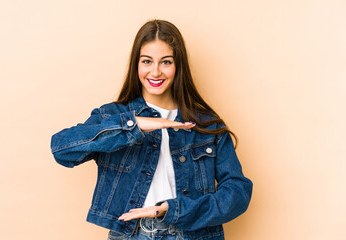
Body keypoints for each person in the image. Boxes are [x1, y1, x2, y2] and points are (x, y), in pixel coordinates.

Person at [51, 19, 252, 240]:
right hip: (133, 234)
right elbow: (62, 149)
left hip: (193, 234)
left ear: (178, 66)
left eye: (165, 62)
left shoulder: (205, 124)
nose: (155, 72)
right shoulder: (112, 116)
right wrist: (133, 124)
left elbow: (237, 192)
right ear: (136, 64)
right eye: (147, 61)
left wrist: (171, 210)